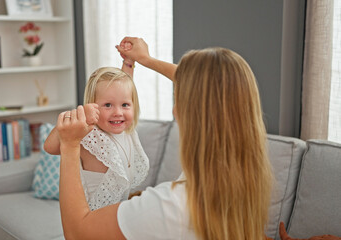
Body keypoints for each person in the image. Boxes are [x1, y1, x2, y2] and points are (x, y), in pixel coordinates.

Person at [56, 37, 273, 240]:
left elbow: (77, 233)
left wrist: (69, 144)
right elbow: (219, 90)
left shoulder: (169, 205)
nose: (175, 109)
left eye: (179, 100)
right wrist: (146, 60)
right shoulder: (244, 177)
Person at [44, 54, 149, 211]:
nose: (118, 112)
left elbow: (126, 88)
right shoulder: (89, 133)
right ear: (92, 106)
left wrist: (128, 63)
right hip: (91, 217)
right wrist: (79, 115)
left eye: (125, 105)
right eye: (108, 105)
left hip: (117, 215)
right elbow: (49, 147)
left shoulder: (127, 132)